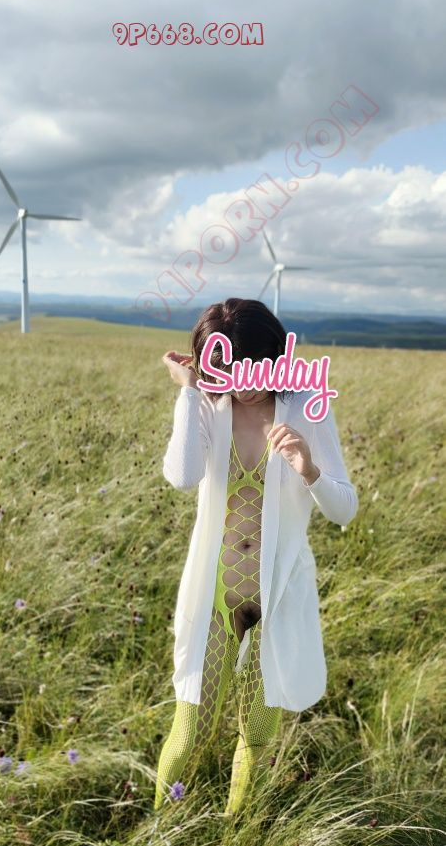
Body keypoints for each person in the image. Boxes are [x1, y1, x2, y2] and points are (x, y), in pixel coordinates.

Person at [153, 298, 358, 817]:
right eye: (228, 370)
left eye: (252, 367)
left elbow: (345, 509)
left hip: (277, 598)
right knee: (189, 731)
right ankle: (160, 830)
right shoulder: (208, 403)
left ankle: (235, 838)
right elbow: (182, 476)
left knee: (257, 736)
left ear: (275, 356)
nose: (243, 385)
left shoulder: (307, 405)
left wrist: (309, 470)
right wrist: (189, 390)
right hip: (214, 596)